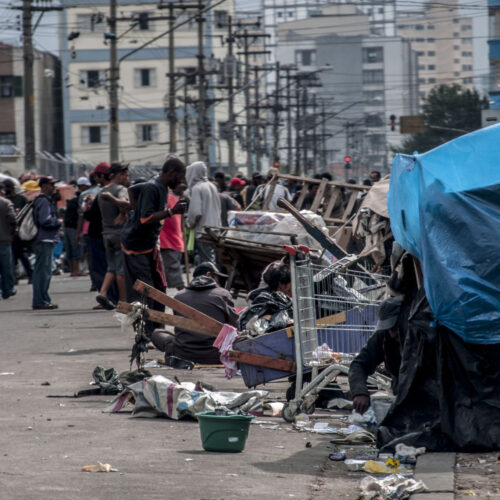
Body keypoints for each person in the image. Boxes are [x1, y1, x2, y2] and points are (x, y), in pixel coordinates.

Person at [120, 156, 187, 337]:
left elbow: (132, 189)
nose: (181, 182)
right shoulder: (153, 187)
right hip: (137, 247)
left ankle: (157, 330)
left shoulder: (160, 187)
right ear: (171, 173)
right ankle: (146, 333)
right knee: (146, 290)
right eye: (179, 177)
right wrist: (172, 211)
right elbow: (145, 218)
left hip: (149, 245)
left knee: (160, 288)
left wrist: (133, 208)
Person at [151, 262, 239, 364]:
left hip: (184, 353)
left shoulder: (179, 296)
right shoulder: (223, 294)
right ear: (208, 275)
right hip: (216, 355)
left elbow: (179, 330)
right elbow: (235, 326)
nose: (218, 282)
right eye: (217, 277)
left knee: (157, 333)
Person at [348, 296, 404, 414]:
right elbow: (359, 364)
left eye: (394, 328)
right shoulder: (384, 336)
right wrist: (360, 392)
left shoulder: (421, 336)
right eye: (388, 328)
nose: (392, 334)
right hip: (400, 392)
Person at [95, 162, 130, 309]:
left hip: (106, 233)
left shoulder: (102, 191)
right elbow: (124, 203)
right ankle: (123, 302)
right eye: (126, 175)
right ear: (120, 175)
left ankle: (102, 293)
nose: (128, 178)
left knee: (111, 267)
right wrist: (123, 213)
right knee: (121, 270)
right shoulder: (121, 189)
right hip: (119, 233)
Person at [32, 177, 61, 310]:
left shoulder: (45, 200)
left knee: (42, 270)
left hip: (44, 239)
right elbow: (45, 220)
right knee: (43, 271)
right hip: (44, 239)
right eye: (51, 184)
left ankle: (42, 299)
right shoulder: (43, 201)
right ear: (44, 186)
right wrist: (58, 221)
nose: (53, 186)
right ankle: (41, 301)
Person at [185, 161, 221, 264]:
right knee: (213, 259)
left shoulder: (197, 188)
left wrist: (188, 224)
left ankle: (209, 279)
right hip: (216, 229)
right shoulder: (212, 186)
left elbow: (196, 213)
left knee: (207, 261)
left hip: (203, 231)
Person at [3, 179, 32, 283]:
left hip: (19, 231)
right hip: (8, 231)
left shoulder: (21, 199)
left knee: (20, 254)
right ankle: (15, 277)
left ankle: (29, 274)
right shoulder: (5, 200)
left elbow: (27, 213)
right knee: (13, 256)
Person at [160, 183, 186, 291]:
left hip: (169, 242)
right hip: (173, 241)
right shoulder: (174, 199)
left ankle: (185, 299)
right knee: (168, 273)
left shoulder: (167, 200)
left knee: (174, 275)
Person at [64, 177, 89, 277]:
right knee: (76, 248)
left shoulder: (70, 197)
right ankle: (76, 270)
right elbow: (81, 215)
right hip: (74, 227)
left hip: (67, 226)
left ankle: (72, 271)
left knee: (69, 249)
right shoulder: (81, 197)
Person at [0, 183, 17, 299]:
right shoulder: (6, 203)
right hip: (4, 240)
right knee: (6, 268)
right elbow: (13, 219)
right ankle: (7, 290)